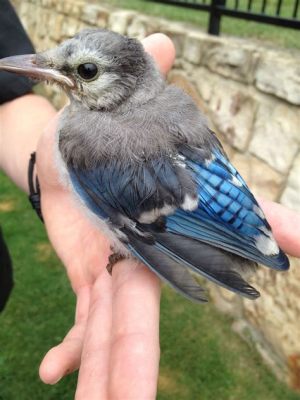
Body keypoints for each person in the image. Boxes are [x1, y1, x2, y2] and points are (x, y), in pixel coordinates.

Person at [1, 3, 300, 399]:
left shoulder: (85, 143)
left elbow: (158, 222)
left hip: (195, 214)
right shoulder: (168, 103)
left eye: (86, 72)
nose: (49, 70)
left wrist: (131, 246)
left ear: (128, 83)